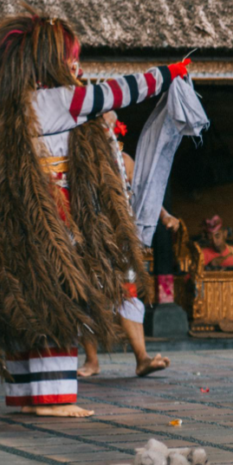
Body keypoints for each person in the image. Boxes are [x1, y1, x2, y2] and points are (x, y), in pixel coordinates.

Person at [0, 5, 190, 418]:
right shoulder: (64, 99)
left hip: (14, 215)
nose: (76, 65)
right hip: (52, 216)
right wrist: (170, 72)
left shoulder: (11, 102)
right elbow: (121, 91)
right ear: (53, 60)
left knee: (25, 299)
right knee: (59, 297)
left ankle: (26, 396)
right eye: (71, 57)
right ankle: (55, 400)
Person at [78, 114, 175, 378]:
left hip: (121, 242)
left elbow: (144, 194)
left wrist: (165, 215)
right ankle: (91, 361)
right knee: (85, 297)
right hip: (88, 239)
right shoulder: (81, 160)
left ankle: (142, 358)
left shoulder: (125, 162)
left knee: (128, 295)